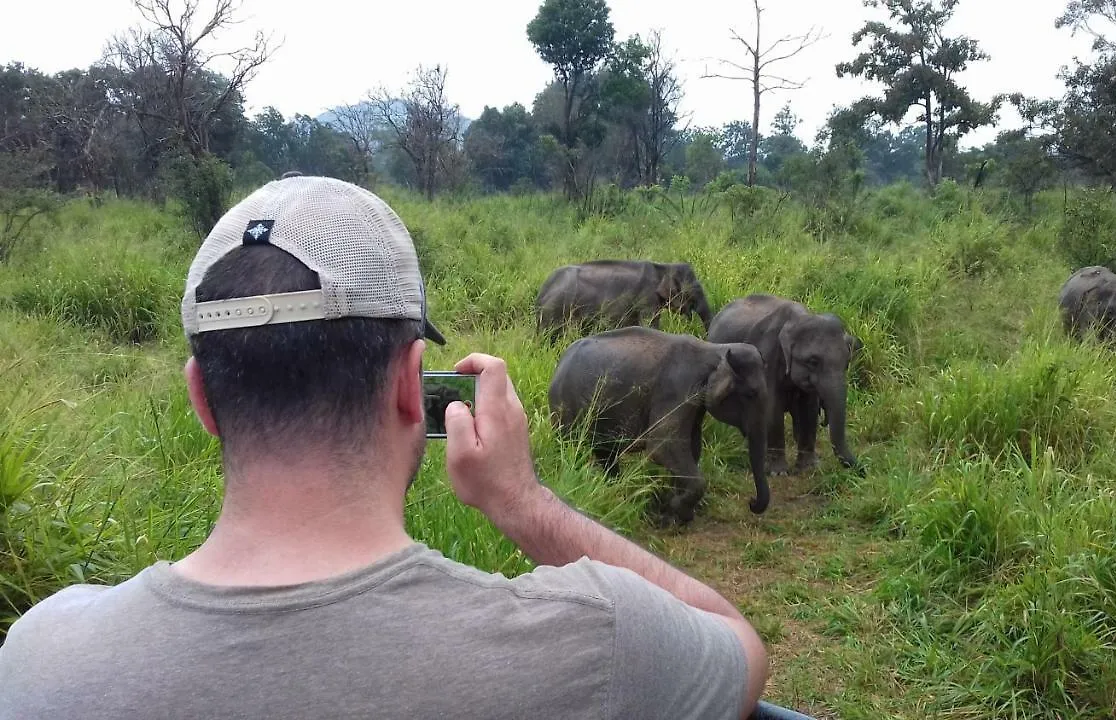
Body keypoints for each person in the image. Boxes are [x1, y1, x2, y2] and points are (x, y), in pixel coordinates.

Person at [0, 176, 770, 719]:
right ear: (413, 387)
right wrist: (524, 502)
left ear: (202, 398)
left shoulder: (39, 655)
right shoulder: (597, 638)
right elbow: (740, 645)